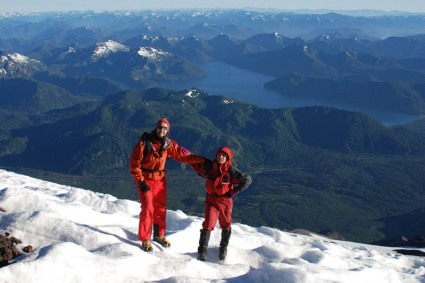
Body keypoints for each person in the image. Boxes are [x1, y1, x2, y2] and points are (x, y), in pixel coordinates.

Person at [129, 118, 191, 252]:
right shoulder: (144, 144)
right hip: (145, 179)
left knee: (160, 208)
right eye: (160, 127)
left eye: (165, 128)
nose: (162, 130)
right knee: (148, 208)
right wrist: (140, 181)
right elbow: (134, 165)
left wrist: (190, 155)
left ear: (168, 130)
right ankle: (145, 238)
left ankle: (159, 235)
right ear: (156, 127)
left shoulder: (168, 144)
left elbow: (180, 155)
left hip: (160, 180)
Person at [186, 146, 252, 261]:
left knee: (226, 224)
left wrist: (233, 191)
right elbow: (196, 164)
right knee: (208, 223)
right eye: (219, 155)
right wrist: (184, 155)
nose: (220, 157)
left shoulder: (231, 171)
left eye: (223, 155)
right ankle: (202, 250)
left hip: (225, 201)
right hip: (211, 200)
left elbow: (247, 180)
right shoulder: (210, 167)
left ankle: (223, 248)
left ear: (227, 158)